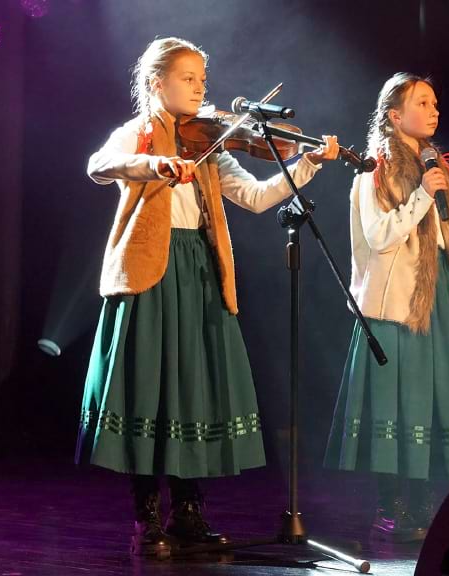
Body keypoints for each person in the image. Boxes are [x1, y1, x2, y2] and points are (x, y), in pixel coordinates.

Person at [75, 37, 339, 557]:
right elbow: (99, 164)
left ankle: (189, 510)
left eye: (202, 79)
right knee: (150, 387)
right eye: (189, 79)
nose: (201, 89)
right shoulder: (141, 132)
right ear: (157, 83)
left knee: (195, 386)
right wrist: (155, 165)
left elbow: (259, 198)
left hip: (198, 267)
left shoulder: (208, 141)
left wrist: (307, 164)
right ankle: (147, 513)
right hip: (149, 272)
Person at [324, 72, 449, 542]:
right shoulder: (374, 174)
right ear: (394, 114)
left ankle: (427, 503)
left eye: (436, 102)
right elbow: (380, 237)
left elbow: (448, 239)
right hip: (395, 308)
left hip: (439, 303)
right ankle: (391, 506)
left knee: (433, 405)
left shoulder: (439, 171)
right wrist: (421, 196)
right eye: (423, 102)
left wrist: (440, 202)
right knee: (396, 406)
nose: (434, 110)